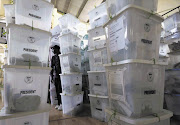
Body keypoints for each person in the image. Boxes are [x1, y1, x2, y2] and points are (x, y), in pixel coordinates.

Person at [50, 45, 62, 111]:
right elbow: (51, 68)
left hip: (61, 75)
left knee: (61, 89)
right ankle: (59, 103)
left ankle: (62, 103)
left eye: (54, 49)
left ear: (58, 49)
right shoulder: (53, 57)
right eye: (52, 49)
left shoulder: (61, 56)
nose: (53, 50)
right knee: (57, 90)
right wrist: (51, 76)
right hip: (56, 76)